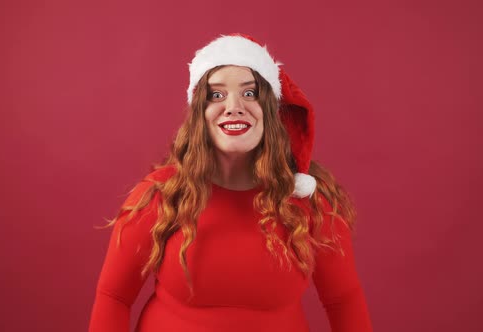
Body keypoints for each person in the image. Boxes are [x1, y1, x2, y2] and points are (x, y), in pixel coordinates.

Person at [89, 34, 373, 332]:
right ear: (199, 113)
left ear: (271, 111)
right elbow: (114, 297)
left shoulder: (308, 199)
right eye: (216, 95)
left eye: (250, 94)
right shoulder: (161, 193)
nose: (234, 106)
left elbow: (344, 301)